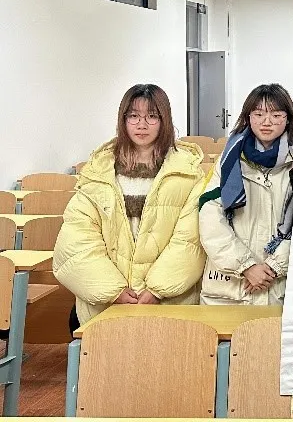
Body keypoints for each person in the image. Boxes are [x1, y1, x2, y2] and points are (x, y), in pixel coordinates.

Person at [54, 84, 206, 327]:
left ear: (164, 120)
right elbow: (78, 239)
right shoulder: (97, 172)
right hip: (107, 303)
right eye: (133, 116)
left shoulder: (189, 173)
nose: (142, 124)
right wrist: (112, 290)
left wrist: (156, 289)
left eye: (152, 116)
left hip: (169, 301)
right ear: (123, 120)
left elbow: (189, 240)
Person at [198, 84, 293, 305]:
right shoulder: (229, 160)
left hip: (279, 290)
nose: (266, 122)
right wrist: (246, 266)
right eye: (258, 114)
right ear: (248, 117)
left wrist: (273, 267)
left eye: (276, 115)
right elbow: (209, 215)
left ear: (288, 119)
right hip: (228, 289)